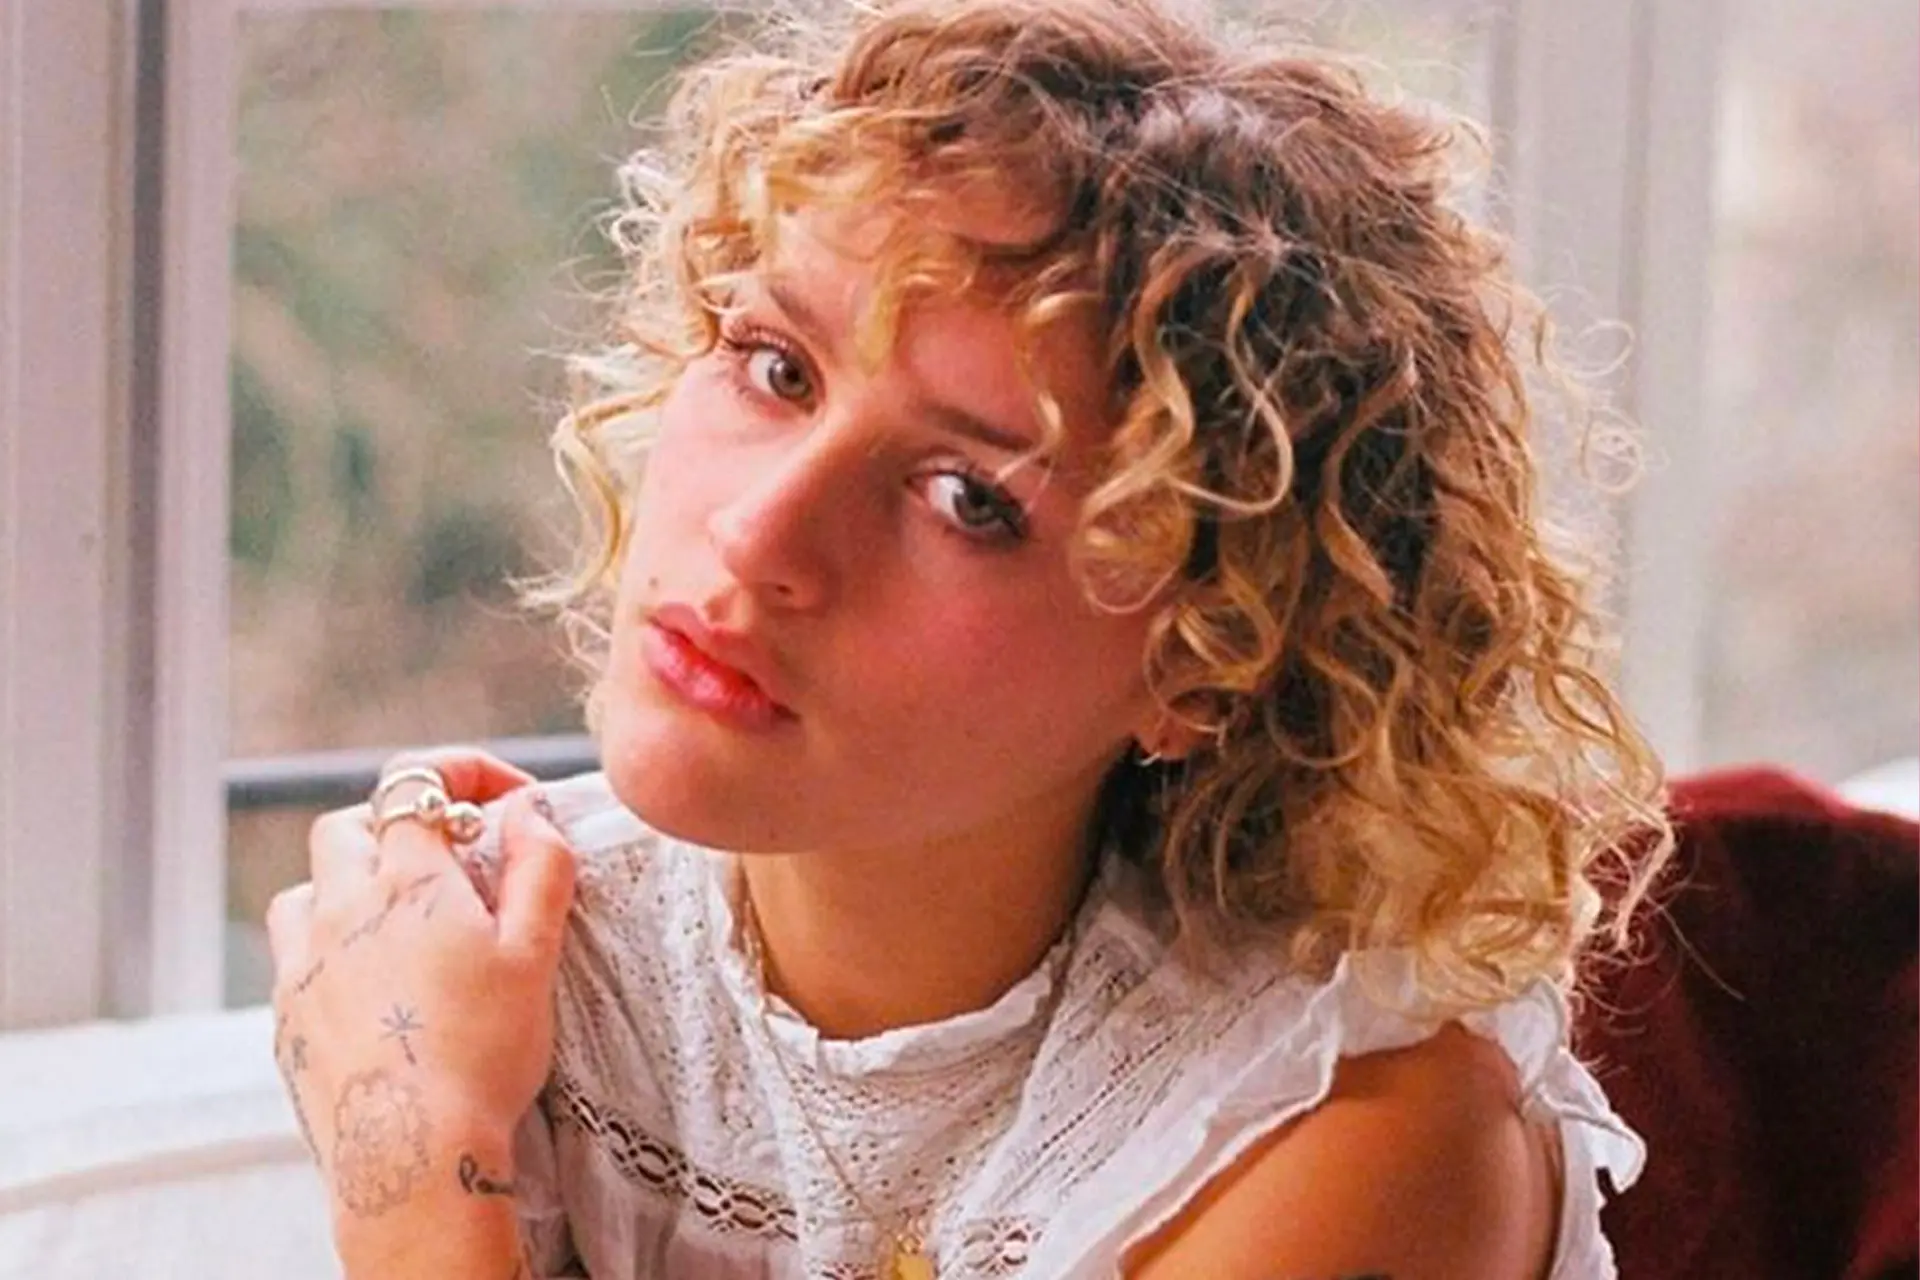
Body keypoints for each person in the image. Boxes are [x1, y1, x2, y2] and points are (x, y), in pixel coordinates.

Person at [265, 1, 1674, 1276]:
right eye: (775, 366)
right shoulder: (476, 970)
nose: (757, 535)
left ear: (1209, 659)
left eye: (969, 499)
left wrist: (418, 1184)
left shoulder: (1346, 1137)